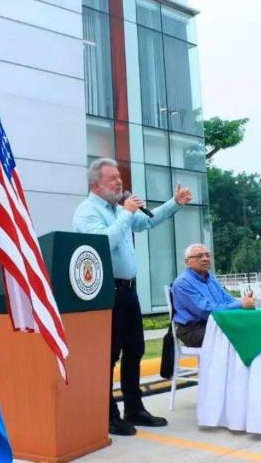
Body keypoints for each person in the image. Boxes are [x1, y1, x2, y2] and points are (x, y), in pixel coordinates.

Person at [72, 157, 192, 436]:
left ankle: (134, 408)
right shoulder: (87, 211)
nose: (120, 182)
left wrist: (174, 203)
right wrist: (126, 213)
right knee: (109, 354)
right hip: (105, 291)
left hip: (128, 290)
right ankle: (107, 415)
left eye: (119, 177)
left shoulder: (118, 209)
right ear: (96, 184)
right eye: (112, 178)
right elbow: (102, 243)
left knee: (135, 349)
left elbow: (147, 222)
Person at [171, 243, 255, 347]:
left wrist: (245, 302)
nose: (205, 259)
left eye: (207, 255)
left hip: (215, 323)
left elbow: (227, 298)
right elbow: (204, 311)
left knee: (251, 327)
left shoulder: (211, 278)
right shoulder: (183, 283)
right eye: (199, 256)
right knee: (237, 334)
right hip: (193, 329)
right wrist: (240, 304)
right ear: (187, 262)